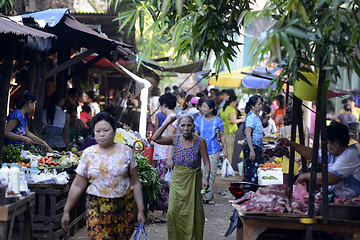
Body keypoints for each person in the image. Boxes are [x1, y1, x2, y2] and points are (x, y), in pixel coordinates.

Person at [61, 112, 145, 239]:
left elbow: (135, 182)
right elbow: (78, 184)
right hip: (96, 207)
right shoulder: (88, 153)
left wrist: (140, 209)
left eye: (106, 130)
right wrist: (66, 210)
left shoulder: (126, 152)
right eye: (98, 130)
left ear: (114, 131)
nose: (101, 134)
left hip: (123, 207)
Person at [151, 114, 210, 240]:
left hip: (193, 180)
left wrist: (206, 178)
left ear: (193, 126)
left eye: (189, 125)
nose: (186, 128)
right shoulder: (174, 139)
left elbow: (206, 162)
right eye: (183, 125)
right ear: (178, 127)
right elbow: (155, 138)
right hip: (178, 180)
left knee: (193, 212)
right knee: (172, 211)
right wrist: (167, 122)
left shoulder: (200, 141)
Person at [278, 122, 360, 201]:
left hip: (351, 202)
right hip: (338, 198)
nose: (324, 146)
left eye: (327, 143)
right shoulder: (334, 152)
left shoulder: (350, 154)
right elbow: (312, 154)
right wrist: (290, 144)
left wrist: (307, 176)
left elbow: (330, 178)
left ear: (336, 143)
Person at [195, 99, 227, 204]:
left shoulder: (218, 120)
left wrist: (225, 149)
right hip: (200, 149)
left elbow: (222, 136)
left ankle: (207, 197)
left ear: (211, 109)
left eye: (205, 107)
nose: (202, 109)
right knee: (201, 172)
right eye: (201, 106)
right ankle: (200, 195)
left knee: (211, 173)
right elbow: (195, 135)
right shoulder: (198, 119)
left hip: (214, 149)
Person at [152, 93, 177, 223]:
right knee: (165, 184)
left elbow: (171, 140)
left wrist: (169, 158)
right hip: (162, 154)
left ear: (164, 105)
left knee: (164, 185)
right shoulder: (172, 117)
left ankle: (166, 213)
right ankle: (166, 212)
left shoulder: (171, 119)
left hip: (164, 155)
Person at [278, 107, 309, 185]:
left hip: (287, 166)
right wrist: (300, 161)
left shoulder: (283, 130)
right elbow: (306, 148)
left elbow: (282, 150)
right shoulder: (305, 129)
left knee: (287, 193)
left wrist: (294, 158)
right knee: (299, 195)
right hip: (301, 166)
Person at [243, 95, 264, 184]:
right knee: (251, 172)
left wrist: (261, 148)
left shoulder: (257, 115)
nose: (260, 106)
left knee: (254, 171)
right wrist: (252, 150)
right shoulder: (251, 117)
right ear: (252, 106)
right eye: (258, 104)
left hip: (256, 146)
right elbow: (248, 134)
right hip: (251, 146)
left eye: (261, 104)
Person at [219, 95, 244, 163]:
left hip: (224, 132)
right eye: (236, 102)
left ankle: (224, 165)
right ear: (233, 101)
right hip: (231, 132)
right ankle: (228, 166)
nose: (236, 104)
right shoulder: (231, 109)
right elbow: (233, 121)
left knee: (225, 149)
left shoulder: (222, 109)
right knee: (230, 151)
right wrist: (242, 120)